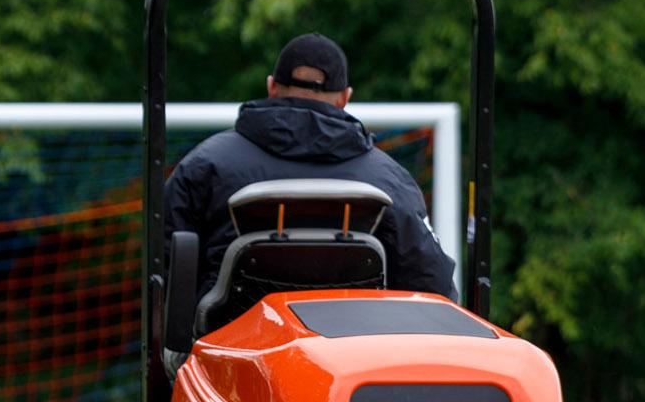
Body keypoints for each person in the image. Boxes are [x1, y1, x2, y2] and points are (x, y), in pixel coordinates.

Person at [164, 33, 458, 299]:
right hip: (349, 350)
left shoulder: (203, 164)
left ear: (271, 87)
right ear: (345, 98)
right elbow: (434, 285)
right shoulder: (388, 179)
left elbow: (163, 271)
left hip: (231, 348)